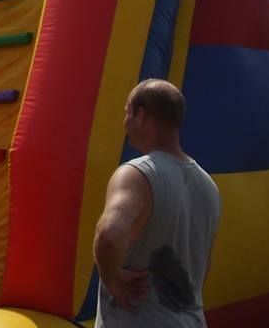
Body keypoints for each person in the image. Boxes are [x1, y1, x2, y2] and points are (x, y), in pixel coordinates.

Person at [93, 79, 220, 327]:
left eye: (127, 112)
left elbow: (108, 237)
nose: (125, 122)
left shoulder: (137, 174)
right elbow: (202, 267)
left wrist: (113, 283)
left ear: (141, 115)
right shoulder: (209, 187)